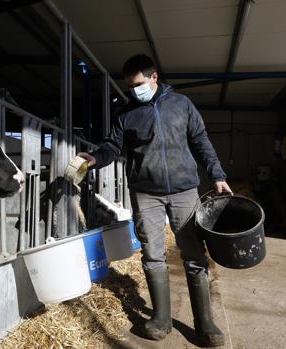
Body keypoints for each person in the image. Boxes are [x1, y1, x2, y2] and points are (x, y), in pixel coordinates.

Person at [78, 54, 231, 347]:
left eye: (138, 84)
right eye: (130, 87)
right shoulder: (126, 114)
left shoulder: (181, 104)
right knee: (152, 255)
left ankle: (205, 323)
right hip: (146, 193)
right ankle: (161, 320)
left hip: (185, 190)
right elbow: (113, 146)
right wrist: (96, 158)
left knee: (195, 255)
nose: (134, 91)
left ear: (154, 77)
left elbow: (201, 140)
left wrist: (218, 175)